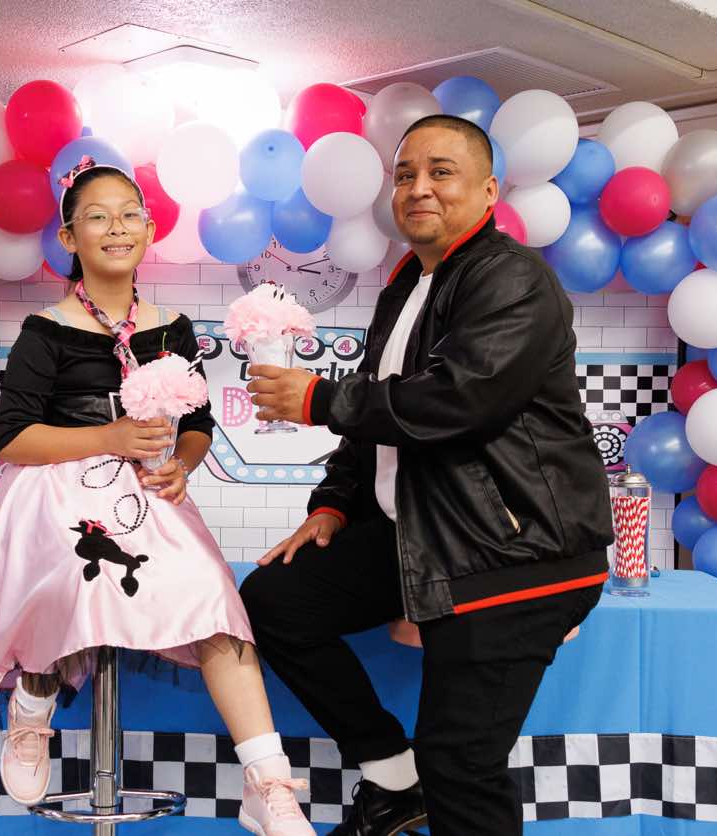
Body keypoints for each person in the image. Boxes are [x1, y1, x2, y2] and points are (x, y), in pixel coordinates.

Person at [240, 115, 615, 836]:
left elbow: (460, 401)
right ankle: (392, 778)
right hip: (425, 532)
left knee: (462, 765)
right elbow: (381, 418)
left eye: (441, 172)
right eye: (406, 174)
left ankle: (422, 783)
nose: (419, 188)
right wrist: (334, 505)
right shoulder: (409, 284)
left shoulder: (512, 278)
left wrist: (318, 399)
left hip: (512, 554)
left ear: (489, 191)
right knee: (278, 602)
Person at [0, 156, 315, 836]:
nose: (116, 227)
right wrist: (109, 436)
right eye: (97, 216)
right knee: (78, 578)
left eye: (129, 215)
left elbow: (199, 425)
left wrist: (182, 464)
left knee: (215, 596)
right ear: (70, 238)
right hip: (54, 487)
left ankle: (268, 785)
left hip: (146, 488)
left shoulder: (173, 327)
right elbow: (13, 440)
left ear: (149, 231)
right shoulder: (45, 329)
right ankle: (32, 704)